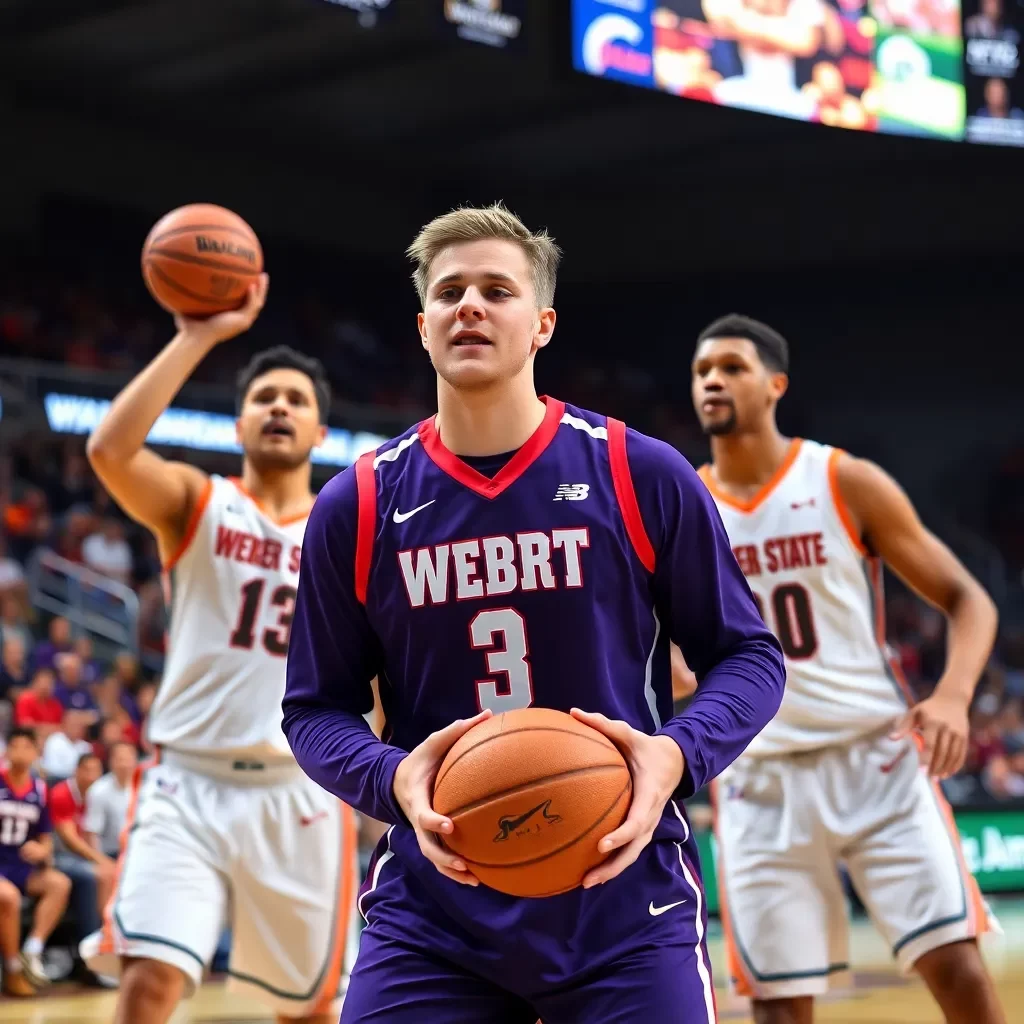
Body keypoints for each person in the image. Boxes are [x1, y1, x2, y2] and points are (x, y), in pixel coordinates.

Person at [282, 204, 786, 1023]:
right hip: (436, 905)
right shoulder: (360, 503)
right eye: (448, 293)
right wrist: (392, 776)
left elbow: (749, 655)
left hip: (623, 896)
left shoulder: (638, 471)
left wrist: (676, 756)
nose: (469, 306)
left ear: (542, 323)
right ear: (421, 326)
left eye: (495, 290)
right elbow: (314, 708)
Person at [689, 314, 1007, 1024]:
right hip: (759, 775)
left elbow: (968, 598)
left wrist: (953, 697)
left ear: (775, 385)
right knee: (778, 1004)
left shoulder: (841, 479)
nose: (712, 379)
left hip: (877, 759)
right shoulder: (685, 503)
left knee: (956, 966)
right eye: (702, 369)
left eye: (732, 367)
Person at [79, 288, 359, 1024]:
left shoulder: (345, 531)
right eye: (264, 396)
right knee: (149, 984)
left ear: (318, 428)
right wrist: (196, 337)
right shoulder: (197, 502)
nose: (278, 407)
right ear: (238, 422)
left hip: (299, 790)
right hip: (187, 783)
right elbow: (108, 451)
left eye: (295, 399)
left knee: (310, 1012)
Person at [0, 727, 71, 996]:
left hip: (21, 865)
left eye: (26, 747)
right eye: (14, 746)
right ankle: (12, 970)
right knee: (8, 898)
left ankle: (32, 950)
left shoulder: (40, 790)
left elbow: (46, 839)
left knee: (59, 884)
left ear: (35, 753)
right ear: (6, 751)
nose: (20, 752)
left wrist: (42, 850)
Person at [50, 752, 114, 954]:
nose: (92, 776)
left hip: (89, 855)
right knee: (98, 875)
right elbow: (72, 842)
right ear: (76, 771)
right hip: (60, 855)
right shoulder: (62, 793)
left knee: (116, 871)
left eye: (97, 771)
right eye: (87, 770)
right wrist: (102, 860)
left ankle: (114, 938)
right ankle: (96, 944)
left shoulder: (101, 793)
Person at [84, 740, 138, 859]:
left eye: (128, 759)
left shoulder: (143, 788)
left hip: (137, 851)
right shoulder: (98, 791)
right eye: (120, 759)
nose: (124, 765)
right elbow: (92, 833)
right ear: (111, 762)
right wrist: (101, 862)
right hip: (111, 853)